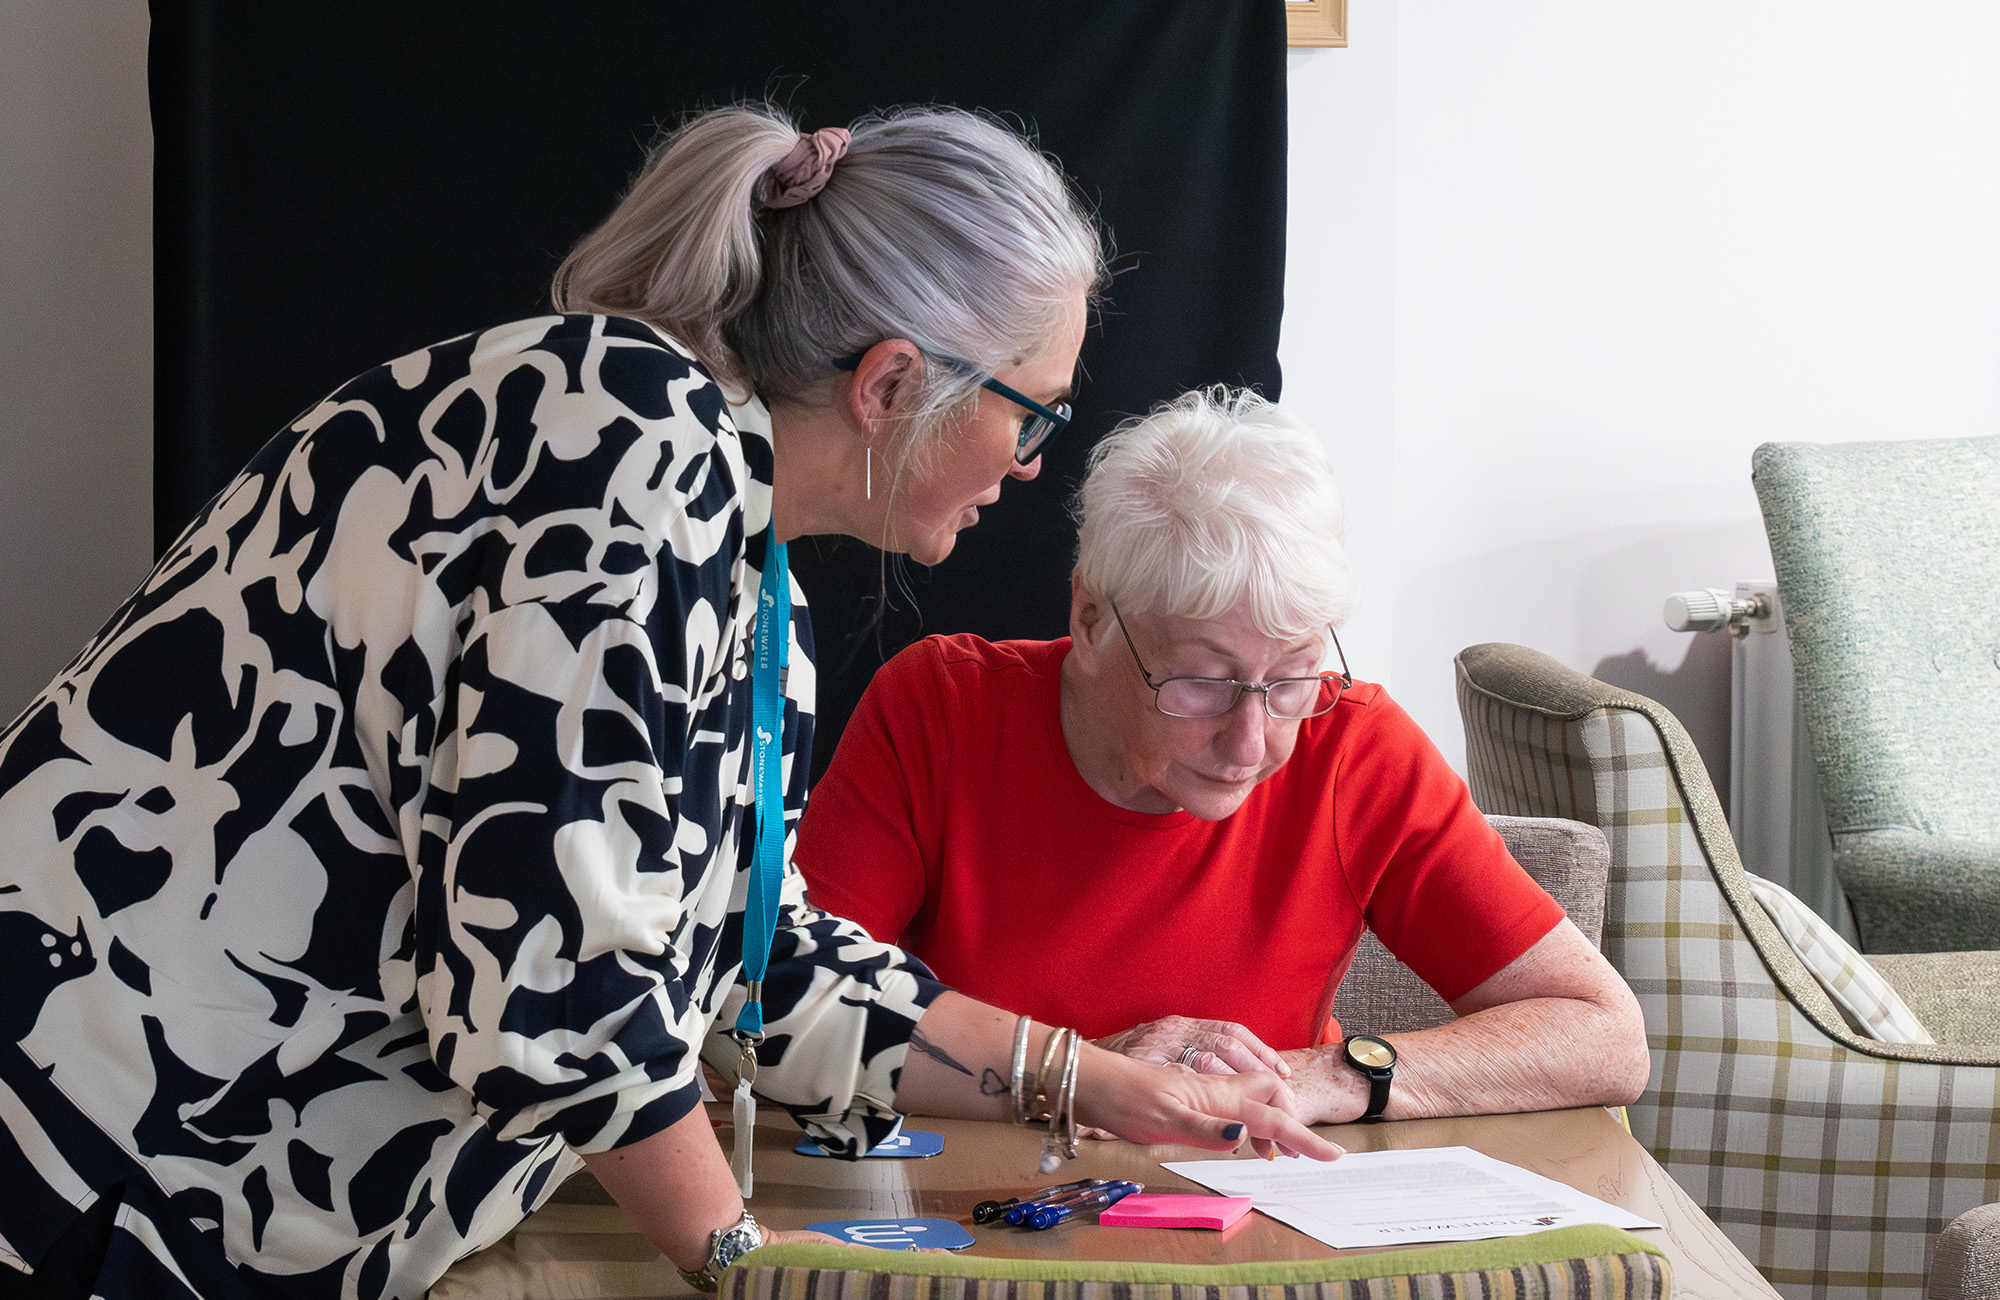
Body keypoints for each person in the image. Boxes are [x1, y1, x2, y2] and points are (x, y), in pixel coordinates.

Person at [0, 108, 1337, 1300]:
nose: (1033, 465)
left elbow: (739, 965)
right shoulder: (633, 445)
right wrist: (748, 1266)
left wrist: (1101, 1084)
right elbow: (559, 989)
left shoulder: (731, 551)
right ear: (889, 386)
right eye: (1030, 415)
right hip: (85, 1172)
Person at [797, 388, 1652, 1129]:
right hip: (996, 1208)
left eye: (1291, 679)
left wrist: (1327, 1074)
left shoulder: (1350, 745)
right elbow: (785, 1014)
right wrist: (1090, 1079)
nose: (1252, 747)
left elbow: (1603, 1034)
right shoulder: (942, 710)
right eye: (1202, 684)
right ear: (1092, 620)